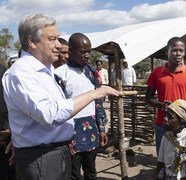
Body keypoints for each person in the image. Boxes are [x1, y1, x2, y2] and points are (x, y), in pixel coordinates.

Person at [1, 13, 119, 180]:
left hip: (51, 153)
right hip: (42, 158)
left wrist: (24, 139)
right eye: (52, 39)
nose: (58, 45)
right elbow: (50, 114)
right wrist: (95, 93)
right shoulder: (22, 73)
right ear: (32, 41)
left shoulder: (44, 72)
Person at [54, 32, 109, 180]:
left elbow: (98, 103)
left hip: (91, 132)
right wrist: (66, 138)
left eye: (89, 52)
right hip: (71, 134)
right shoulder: (60, 74)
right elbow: (58, 109)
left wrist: (101, 129)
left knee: (91, 172)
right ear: (70, 51)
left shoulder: (91, 72)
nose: (87, 56)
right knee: (74, 174)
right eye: (82, 52)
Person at [146, 37, 186, 154]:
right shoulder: (157, 72)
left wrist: (181, 108)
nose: (178, 53)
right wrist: (163, 105)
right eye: (175, 50)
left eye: (181, 50)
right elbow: (148, 98)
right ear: (167, 51)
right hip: (162, 124)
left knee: (183, 158)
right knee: (163, 157)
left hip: (183, 126)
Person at [152, 99, 186, 180]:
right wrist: (155, 174)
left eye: (170, 117)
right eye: (166, 114)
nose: (165, 118)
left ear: (183, 123)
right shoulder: (167, 137)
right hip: (168, 175)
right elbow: (161, 160)